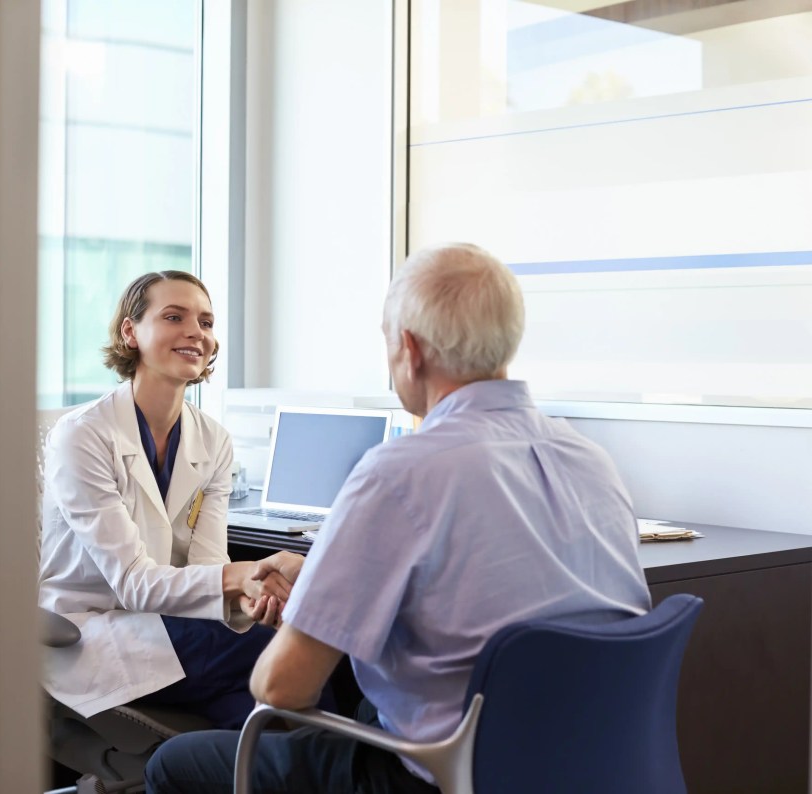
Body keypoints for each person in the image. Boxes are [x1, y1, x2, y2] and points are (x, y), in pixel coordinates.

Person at [145, 243, 653, 793]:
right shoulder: (590, 460)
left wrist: (315, 603)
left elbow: (282, 689)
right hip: (587, 765)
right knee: (363, 706)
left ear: (409, 350)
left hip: (444, 776)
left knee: (176, 764)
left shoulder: (400, 472)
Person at [39, 270, 302, 729]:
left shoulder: (213, 440)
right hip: (93, 634)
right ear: (130, 332)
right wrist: (242, 576)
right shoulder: (84, 436)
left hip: (177, 629)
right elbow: (135, 585)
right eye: (174, 317)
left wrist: (254, 595)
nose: (195, 333)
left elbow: (207, 565)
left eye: (206, 322)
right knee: (297, 647)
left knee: (277, 723)